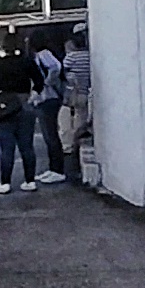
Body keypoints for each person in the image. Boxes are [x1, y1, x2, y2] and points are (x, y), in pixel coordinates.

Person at [0, 32, 46, 193]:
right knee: (27, 146)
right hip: (25, 105)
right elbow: (39, 81)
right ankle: (30, 181)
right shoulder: (27, 61)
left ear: (3, 46)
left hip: (4, 107)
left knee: (7, 148)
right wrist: (32, 96)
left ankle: (5, 182)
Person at [30, 35, 68, 184]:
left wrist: (46, 82)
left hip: (48, 98)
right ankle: (53, 169)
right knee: (49, 135)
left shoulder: (43, 54)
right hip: (47, 98)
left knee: (51, 135)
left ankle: (57, 170)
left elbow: (55, 67)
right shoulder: (43, 54)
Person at [61, 25, 92, 176]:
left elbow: (64, 72)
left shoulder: (71, 56)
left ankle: (70, 152)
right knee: (82, 122)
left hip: (72, 94)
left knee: (67, 124)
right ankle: (77, 147)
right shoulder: (90, 55)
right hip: (86, 93)